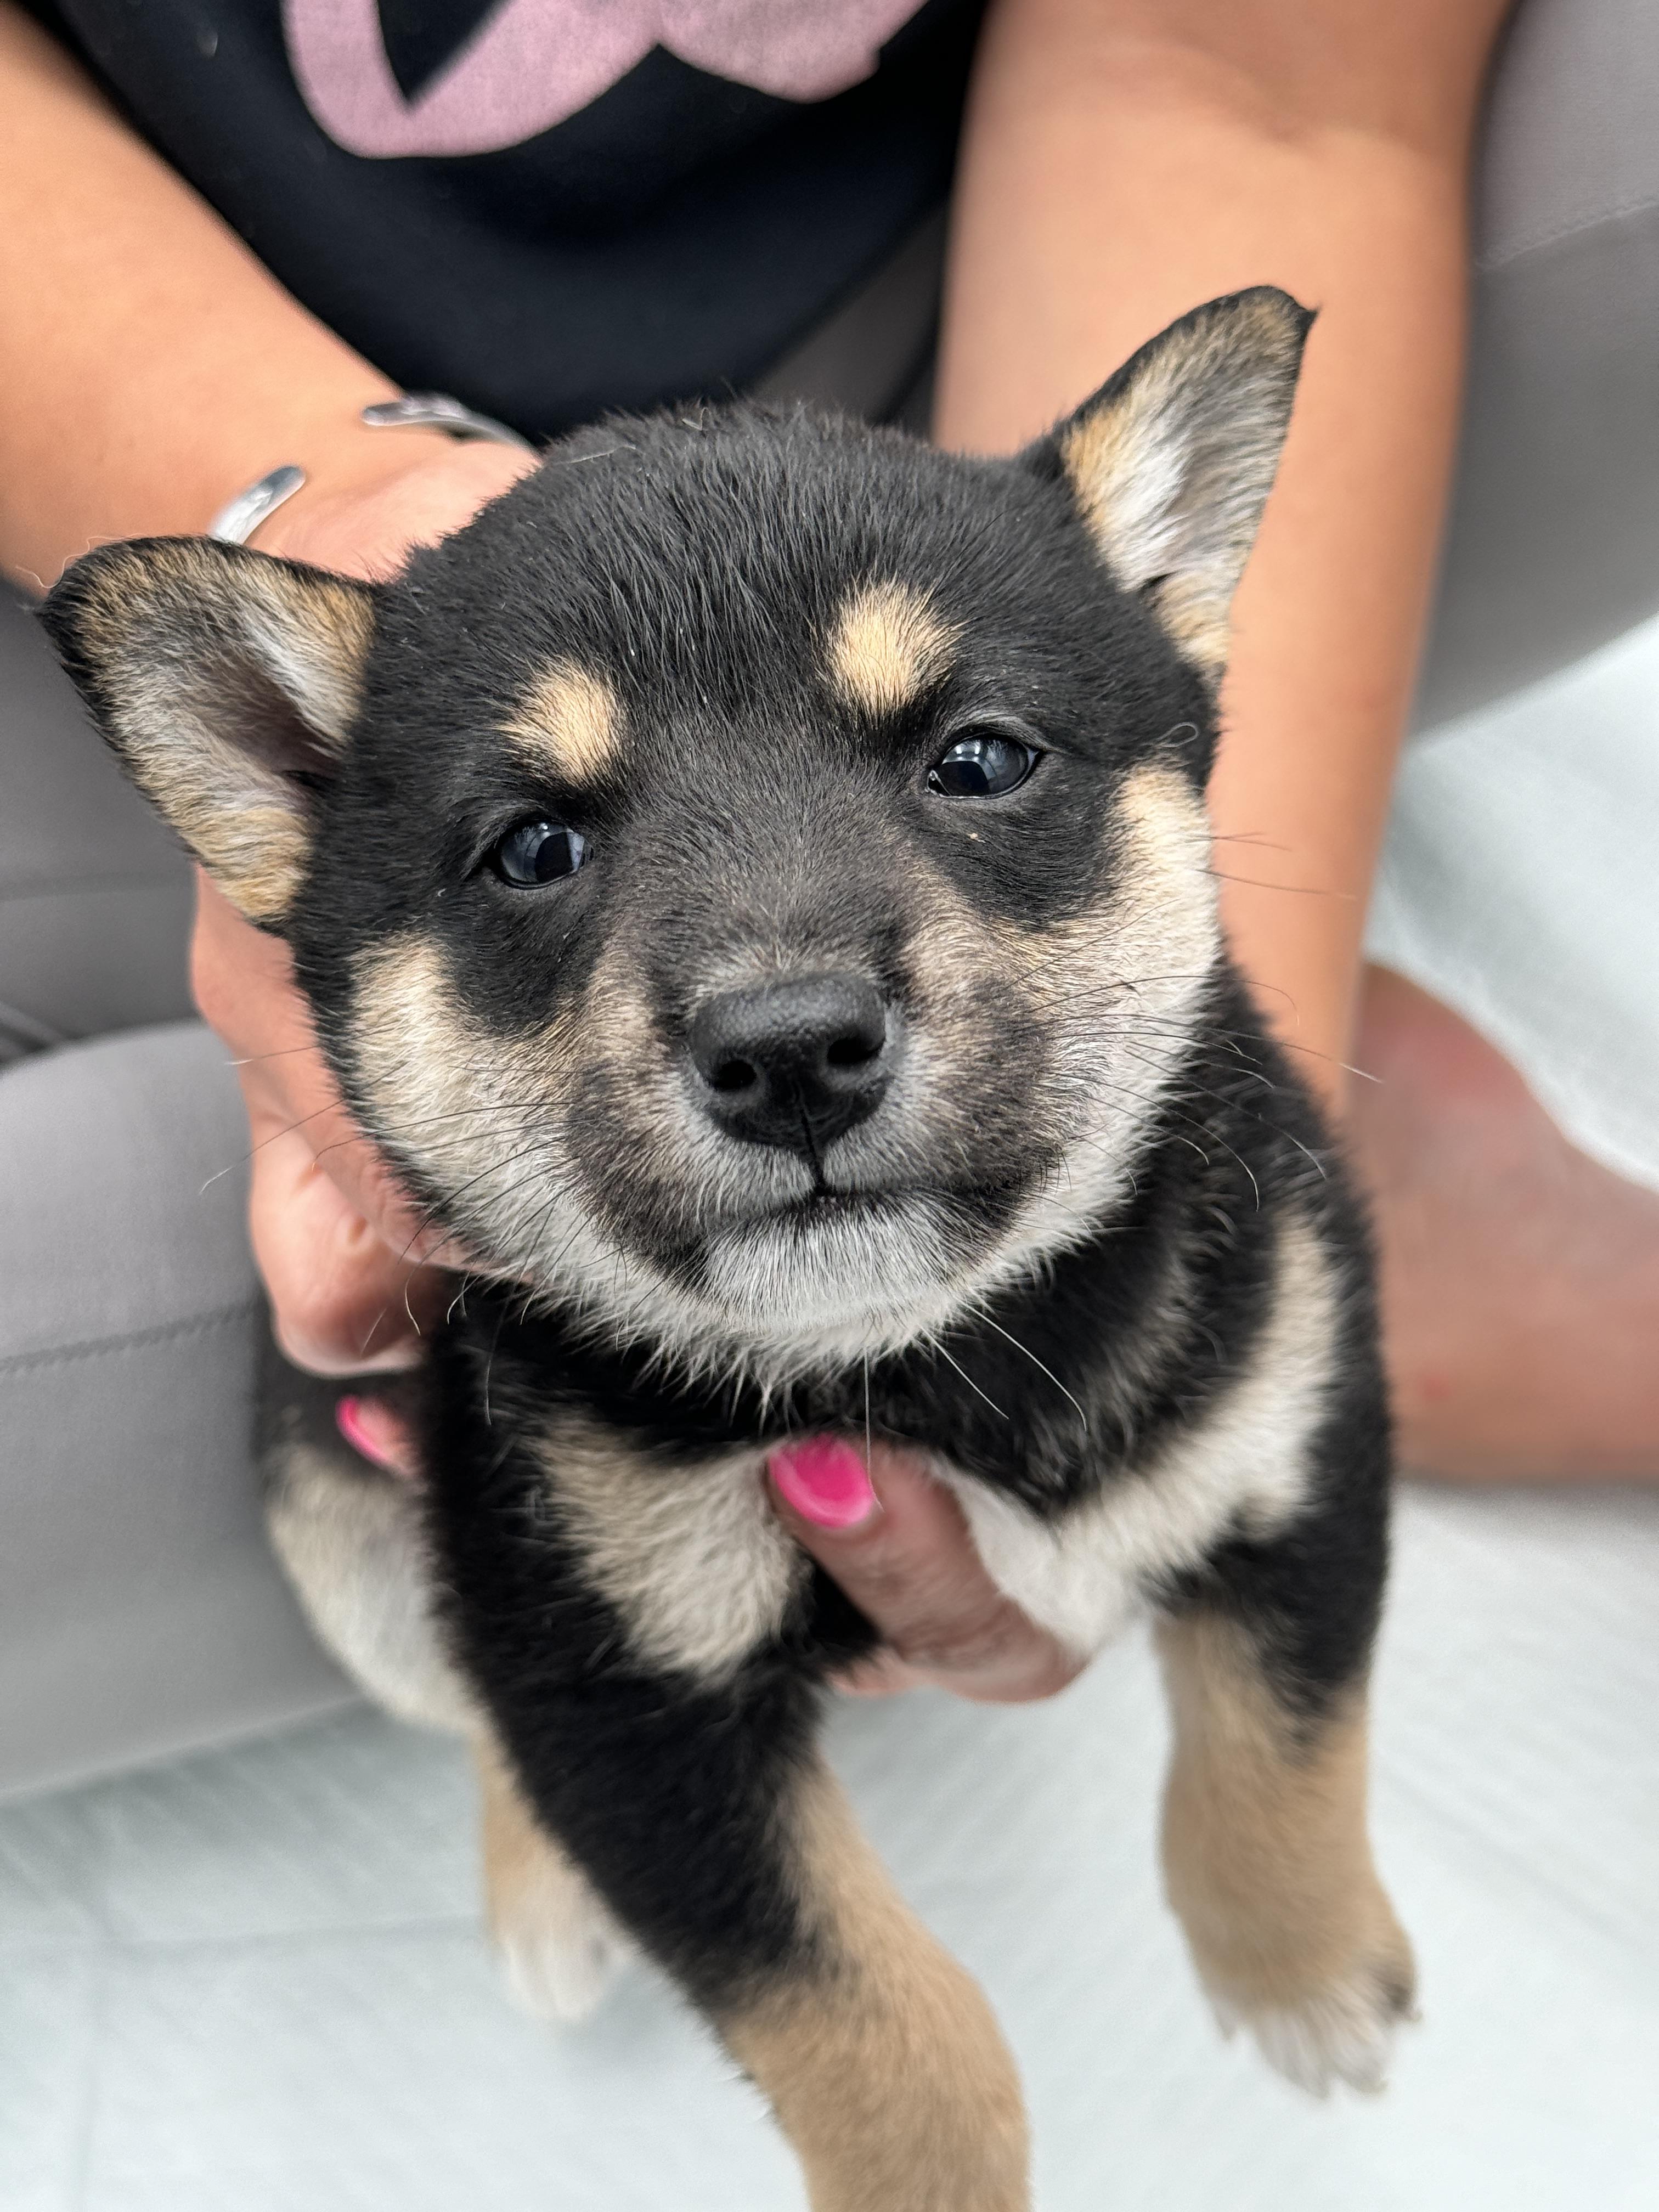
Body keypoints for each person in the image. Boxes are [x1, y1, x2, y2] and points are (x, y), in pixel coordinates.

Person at [2, 0, 1655, 1778]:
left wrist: (1226, 1143)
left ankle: (1306, 1093)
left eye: (974, 765)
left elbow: (1256, 85)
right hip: (91, 461)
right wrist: (322, 542)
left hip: (947, 305)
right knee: (382, 1550)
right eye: (543, 852)